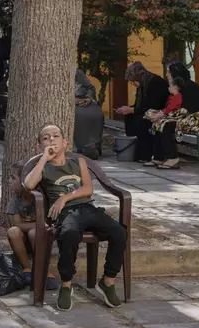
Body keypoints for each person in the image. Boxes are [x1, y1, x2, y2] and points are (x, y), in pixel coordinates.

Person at [24, 124, 127, 311]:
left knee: (118, 232)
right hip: (64, 214)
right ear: (39, 146)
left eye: (56, 136)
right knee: (69, 235)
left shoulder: (78, 162)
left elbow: (88, 189)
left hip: (87, 208)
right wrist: (43, 158)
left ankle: (108, 281)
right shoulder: (43, 168)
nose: (51, 140)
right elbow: (29, 183)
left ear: (65, 143)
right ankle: (66, 284)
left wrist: (65, 197)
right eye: (46, 138)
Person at [6, 161, 58, 290]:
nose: (9, 181)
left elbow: (49, 222)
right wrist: (38, 225)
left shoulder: (41, 198)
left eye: (13, 178)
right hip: (23, 241)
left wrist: (37, 226)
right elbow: (16, 224)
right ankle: (27, 268)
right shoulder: (15, 200)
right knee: (13, 231)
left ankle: (44, 270)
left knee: (34, 232)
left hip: (41, 238)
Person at [116, 61, 169, 163]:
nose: (133, 83)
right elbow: (140, 105)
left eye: (133, 81)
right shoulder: (143, 84)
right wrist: (128, 108)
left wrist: (132, 110)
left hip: (158, 112)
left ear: (138, 76)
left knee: (141, 121)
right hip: (148, 111)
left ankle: (145, 155)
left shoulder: (155, 83)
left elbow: (153, 106)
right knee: (130, 118)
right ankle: (137, 152)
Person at [144, 76, 185, 169]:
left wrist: (158, 115)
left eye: (170, 85)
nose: (168, 87)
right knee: (157, 126)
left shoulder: (177, 97)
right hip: (168, 118)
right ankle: (158, 156)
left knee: (164, 128)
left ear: (175, 87)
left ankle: (172, 157)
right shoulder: (172, 97)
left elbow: (169, 110)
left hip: (174, 120)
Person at [73, 69, 104, 159]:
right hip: (72, 104)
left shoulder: (78, 73)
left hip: (85, 101)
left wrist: (89, 99)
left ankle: (94, 146)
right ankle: (84, 146)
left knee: (96, 113)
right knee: (80, 115)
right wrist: (73, 101)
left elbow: (90, 88)